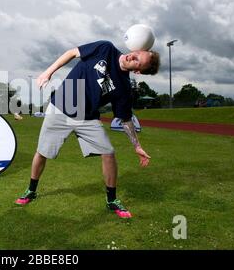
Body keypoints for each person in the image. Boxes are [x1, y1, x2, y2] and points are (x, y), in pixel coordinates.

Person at [15, 40, 160, 218]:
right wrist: (48, 72)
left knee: (109, 153)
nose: (133, 57)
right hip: (60, 107)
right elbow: (71, 53)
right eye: (137, 53)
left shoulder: (124, 88)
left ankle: (112, 200)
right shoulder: (105, 48)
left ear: (138, 71)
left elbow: (125, 118)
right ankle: (31, 190)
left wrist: (136, 146)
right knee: (42, 152)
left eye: (138, 61)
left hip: (87, 118)